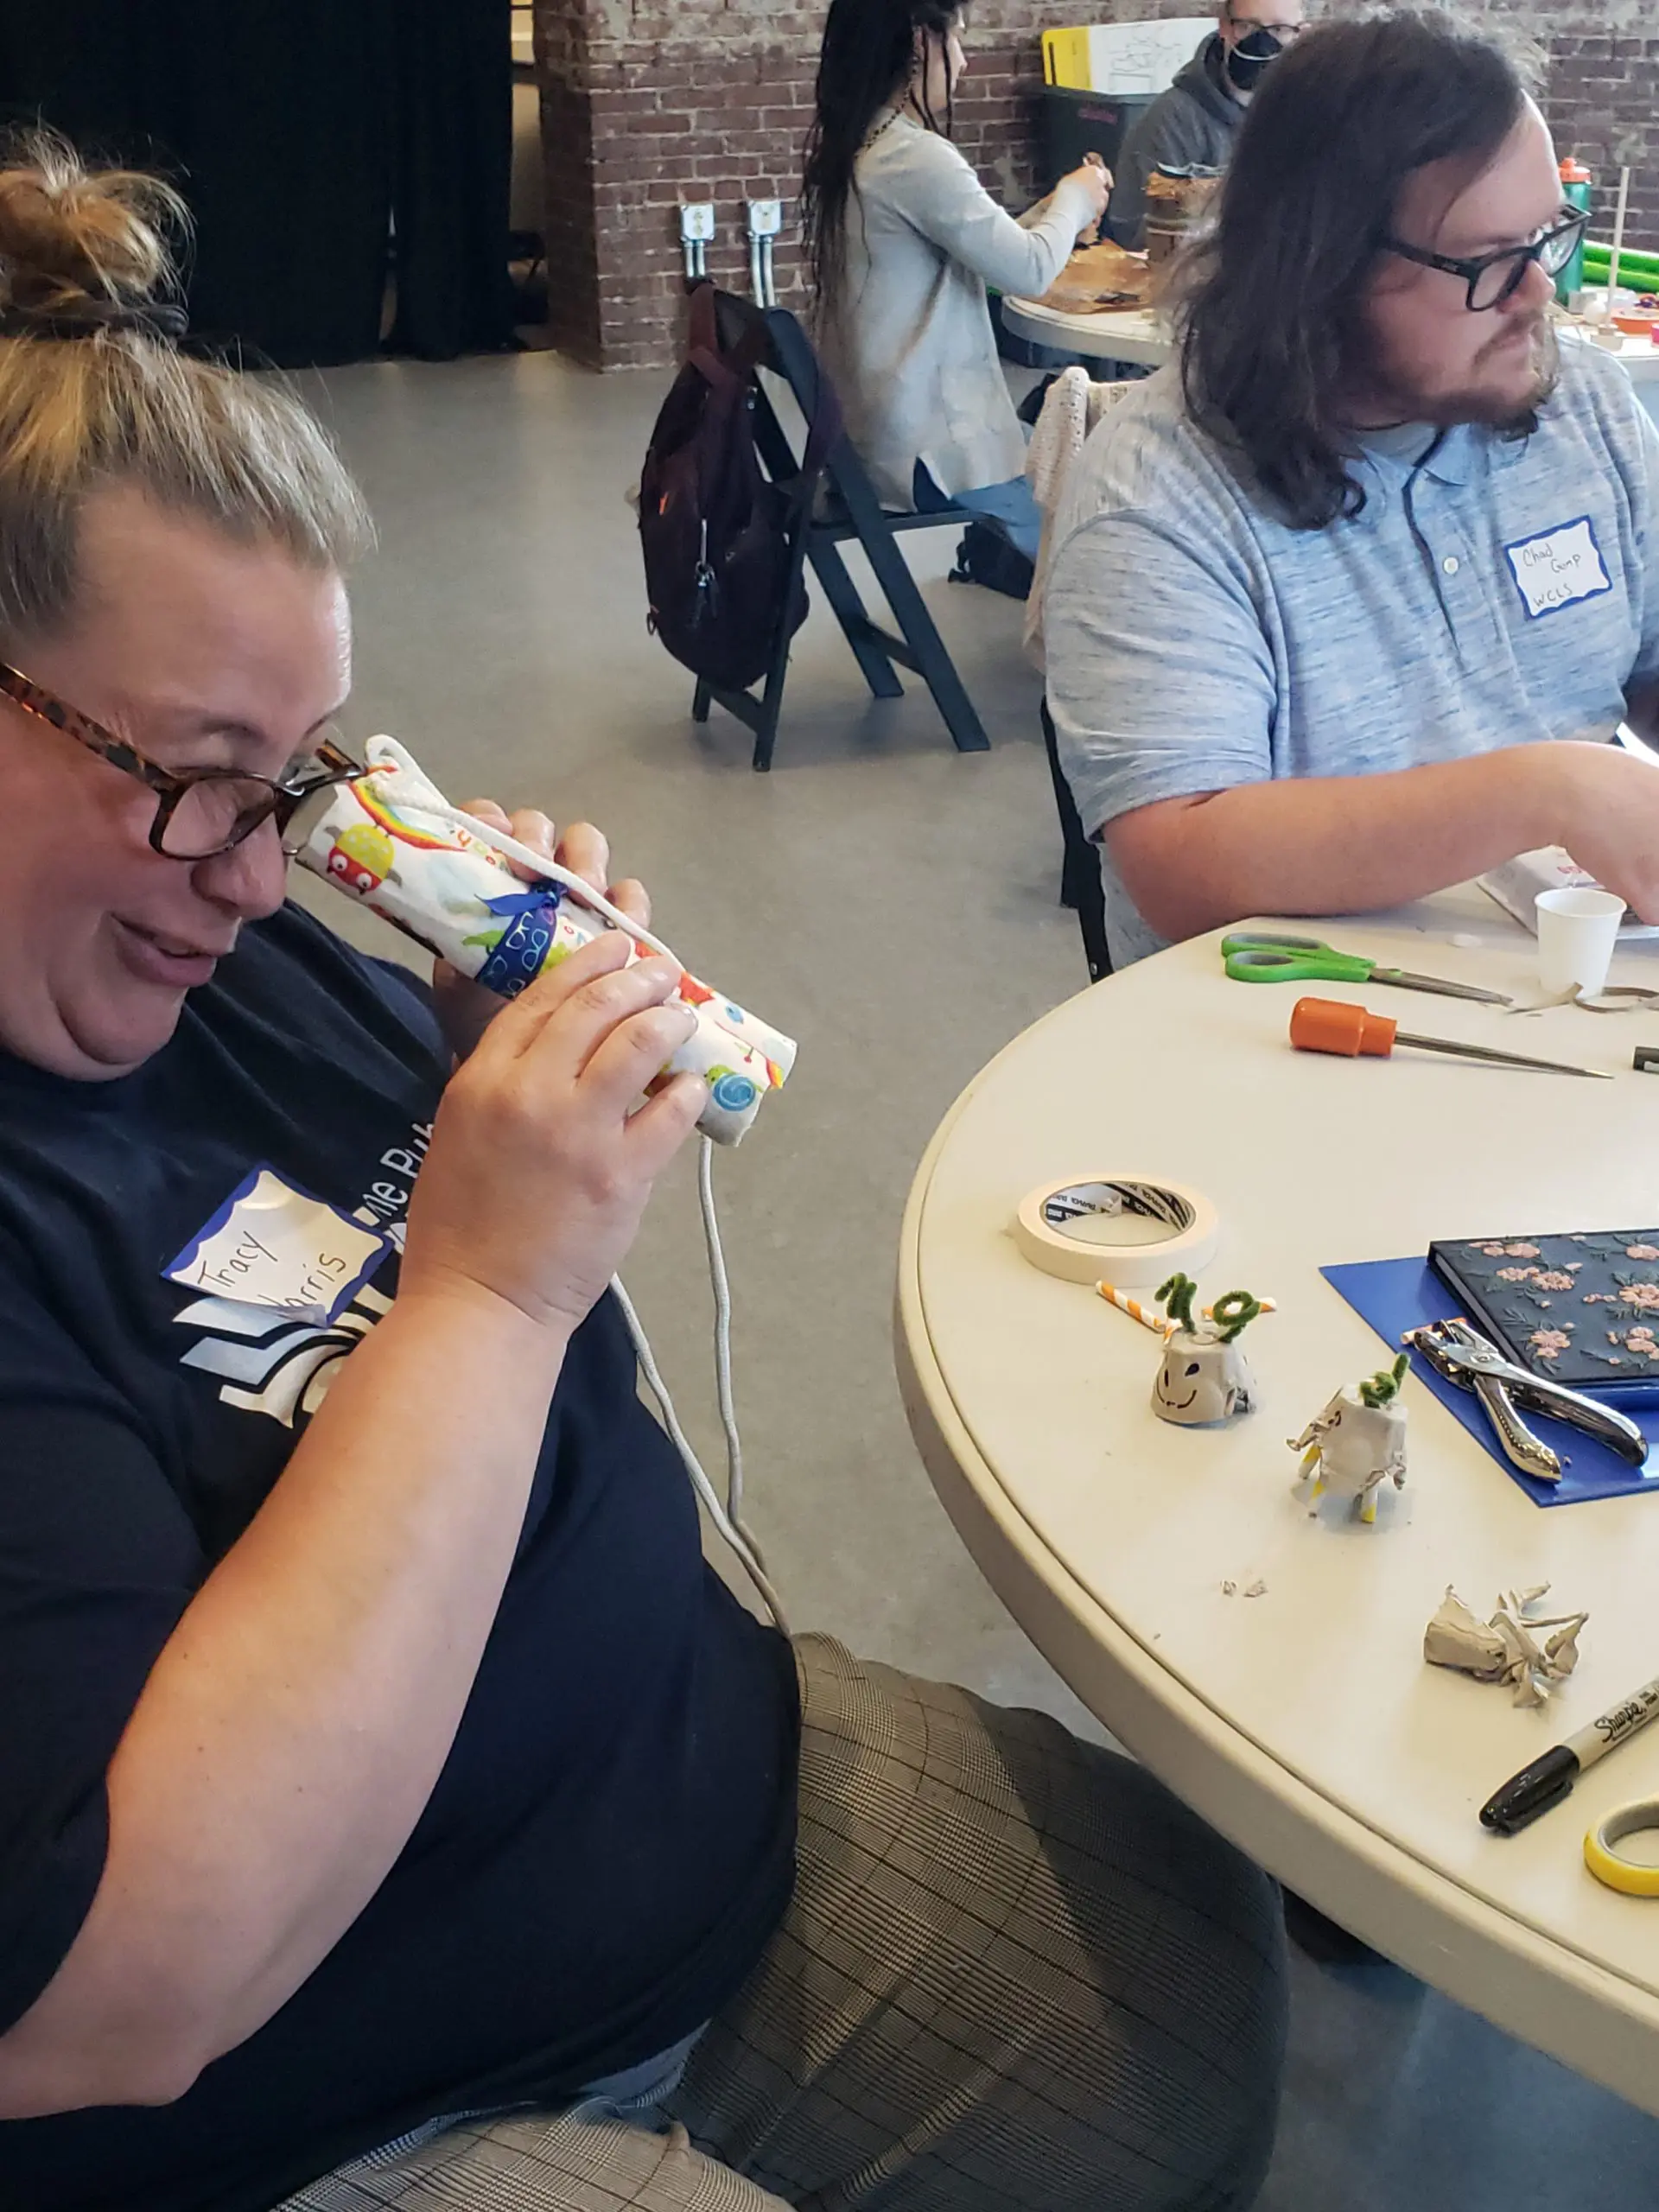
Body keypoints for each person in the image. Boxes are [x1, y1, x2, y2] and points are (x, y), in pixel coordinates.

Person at [0, 138, 1287, 2212]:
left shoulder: (188, 946)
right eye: (191, 777)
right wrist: (488, 1296)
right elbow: (113, 1990)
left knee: (1178, 1970)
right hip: (338, 2089)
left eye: (308, 773)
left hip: (673, 1793)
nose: (255, 873)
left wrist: (460, 1068)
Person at [1046, 12, 1659, 970]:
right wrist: (1544, 792)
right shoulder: (1159, 494)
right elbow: (1180, 861)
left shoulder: (1579, 398)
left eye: (1547, 237)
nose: (1538, 292)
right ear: (1321, 267)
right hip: (1302, 1017)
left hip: (1577, 975)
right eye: (1490, 260)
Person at [803, 0, 1109, 563]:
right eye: (959, 41)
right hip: (926, 456)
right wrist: (1076, 195)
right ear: (921, 41)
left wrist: (1049, 214)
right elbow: (1028, 271)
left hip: (868, 443)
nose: (965, 61)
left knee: (1050, 425)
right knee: (1097, 502)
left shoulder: (859, 143)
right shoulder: (916, 157)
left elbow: (984, 256)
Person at [1104, 3, 1305, 253]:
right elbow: (1140, 235)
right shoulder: (1172, 121)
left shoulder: (1308, 113)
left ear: (1300, 34)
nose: (1263, 42)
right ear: (1223, 27)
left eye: (1280, 29)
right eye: (1248, 26)